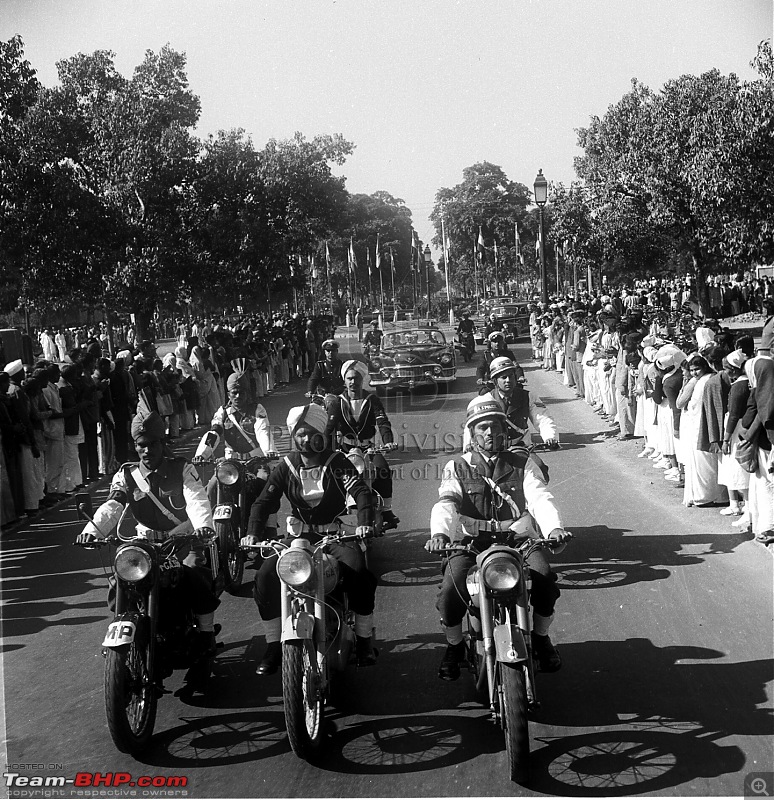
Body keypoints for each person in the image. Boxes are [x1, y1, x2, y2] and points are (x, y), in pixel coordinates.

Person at [425, 396, 572, 680]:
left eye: (494, 427)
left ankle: (541, 638)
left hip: (517, 538)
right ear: (472, 433)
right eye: (482, 428)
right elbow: (446, 503)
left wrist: (554, 528)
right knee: (450, 589)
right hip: (471, 542)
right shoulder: (456, 466)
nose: (489, 433)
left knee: (544, 579)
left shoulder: (523, 462)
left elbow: (540, 497)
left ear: (504, 430)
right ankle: (454, 646)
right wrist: (440, 535)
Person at [242, 404, 378, 674]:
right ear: (294, 436)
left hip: (335, 535)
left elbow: (362, 492)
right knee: (264, 577)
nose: (306, 439)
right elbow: (263, 502)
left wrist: (364, 525)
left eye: (311, 433)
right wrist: (252, 533)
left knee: (360, 572)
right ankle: (272, 644)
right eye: (300, 434)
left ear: (321, 434)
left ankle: (363, 640)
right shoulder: (287, 465)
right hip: (299, 539)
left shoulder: (337, 462)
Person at [75, 411, 220, 656]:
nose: (147, 450)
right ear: (135, 446)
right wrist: (92, 531)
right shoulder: (126, 475)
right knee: (119, 580)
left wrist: (203, 526)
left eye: (152, 444)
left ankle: (206, 635)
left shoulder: (181, 468)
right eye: (142, 445)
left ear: (162, 442)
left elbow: (195, 497)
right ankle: (124, 631)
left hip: (183, 539)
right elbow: (113, 505)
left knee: (195, 575)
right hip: (144, 544)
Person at [194, 366, 278, 532]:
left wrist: (269, 451)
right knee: (211, 487)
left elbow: (263, 430)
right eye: (234, 392)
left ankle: (270, 527)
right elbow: (214, 433)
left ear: (248, 393)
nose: (238, 396)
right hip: (230, 462)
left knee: (265, 484)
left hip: (256, 461)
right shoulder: (222, 412)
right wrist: (202, 454)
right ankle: (208, 529)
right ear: (228, 394)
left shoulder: (257, 410)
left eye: (241, 392)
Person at [325, 359, 399, 527]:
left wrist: (388, 442)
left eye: (357, 378)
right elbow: (329, 428)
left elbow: (382, 422)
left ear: (362, 379)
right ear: (344, 380)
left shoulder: (372, 399)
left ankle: (387, 510)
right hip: (345, 449)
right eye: (349, 378)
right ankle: (331, 510)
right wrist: (324, 448)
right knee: (331, 476)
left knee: (383, 471)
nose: (353, 382)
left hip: (368, 448)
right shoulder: (337, 402)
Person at [473, 357, 557, 450]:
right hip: (496, 450)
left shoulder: (527, 396)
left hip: (522, 448)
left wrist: (549, 436)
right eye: (503, 377)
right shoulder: (486, 399)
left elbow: (543, 419)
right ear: (495, 381)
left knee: (540, 465)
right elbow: (476, 426)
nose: (508, 380)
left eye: (511, 376)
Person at [307, 339, 345, 406]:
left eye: (333, 350)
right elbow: (313, 379)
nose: (330, 353)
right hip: (323, 396)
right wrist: (310, 391)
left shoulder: (342, 365)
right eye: (328, 351)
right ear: (324, 352)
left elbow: (346, 380)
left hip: (339, 396)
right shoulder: (319, 365)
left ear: (337, 351)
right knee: (313, 410)